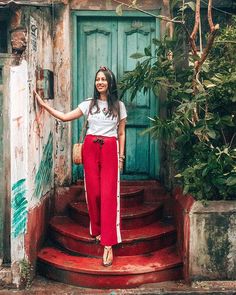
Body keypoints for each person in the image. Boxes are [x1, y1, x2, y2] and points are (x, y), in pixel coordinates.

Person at [34, 66, 127, 267]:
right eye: (97, 79)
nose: (100, 82)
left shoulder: (119, 106)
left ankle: (108, 244)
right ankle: (98, 228)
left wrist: (121, 157)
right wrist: (44, 105)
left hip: (110, 148)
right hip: (91, 148)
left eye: (103, 79)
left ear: (110, 83)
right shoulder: (88, 104)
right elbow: (66, 117)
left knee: (109, 195)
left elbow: (121, 133)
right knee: (93, 193)